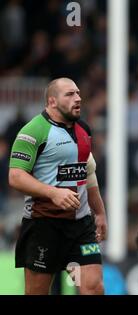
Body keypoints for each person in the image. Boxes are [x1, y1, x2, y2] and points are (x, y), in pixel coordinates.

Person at [9, 77, 106, 295]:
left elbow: (87, 173)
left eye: (78, 93)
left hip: (81, 228)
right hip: (44, 227)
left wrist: (99, 212)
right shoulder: (33, 131)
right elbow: (15, 176)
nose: (78, 98)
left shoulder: (84, 129)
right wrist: (53, 193)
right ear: (52, 101)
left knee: (93, 287)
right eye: (70, 94)